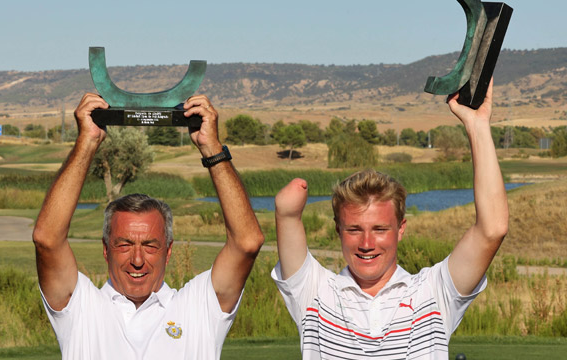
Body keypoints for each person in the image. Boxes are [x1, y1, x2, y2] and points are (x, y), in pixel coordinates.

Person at [272, 80, 508, 359]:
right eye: (354, 229)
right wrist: (286, 211)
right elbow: (287, 219)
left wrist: (477, 126)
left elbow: (492, 229)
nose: (367, 243)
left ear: (401, 229)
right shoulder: (314, 293)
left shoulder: (432, 293)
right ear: (338, 230)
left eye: (380, 229)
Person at [33, 93, 264, 359]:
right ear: (106, 249)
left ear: (168, 250)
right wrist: (87, 142)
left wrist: (211, 147)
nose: (138, 260)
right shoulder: (80, 308)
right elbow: (47, 239)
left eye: (150, 245)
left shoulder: (198, 308)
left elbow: (247, 242)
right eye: (124, 244)